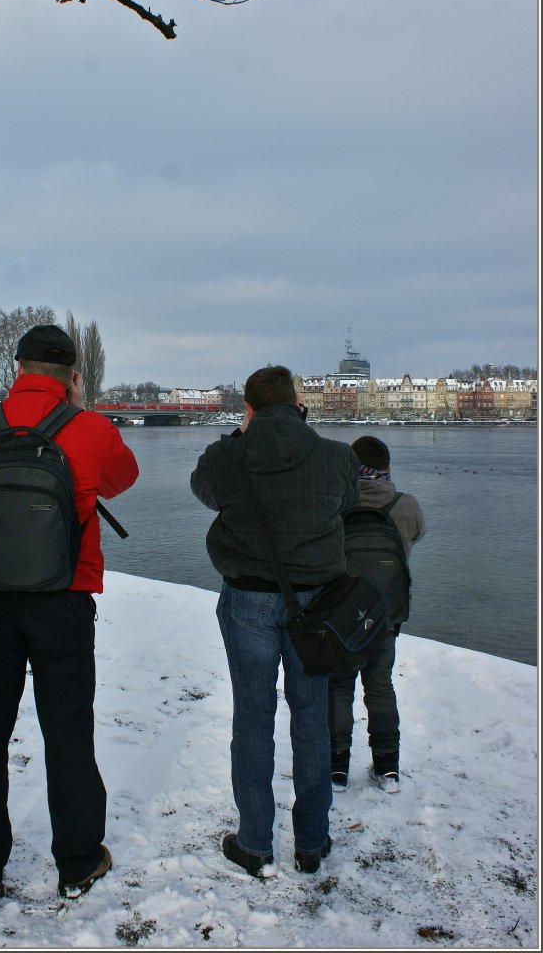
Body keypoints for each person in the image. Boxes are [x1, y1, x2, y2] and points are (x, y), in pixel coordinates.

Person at [0, 324, 139, 900]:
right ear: (73, 374)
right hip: (64, 601)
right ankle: (78, 860)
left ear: (18, 367)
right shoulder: (92, 429)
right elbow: (122, 479)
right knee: (68, 732)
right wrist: (78, 411)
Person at [190, 366, 360, 878]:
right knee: (310, 718)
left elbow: (203, 488)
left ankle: (255, 841)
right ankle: (311, 841)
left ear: (249, 407)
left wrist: (240, 434)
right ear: (298, 400)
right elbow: (346, 505)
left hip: (247, 601)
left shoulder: (228, 456)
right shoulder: (337, 457)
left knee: (253, 716)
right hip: (317, 607)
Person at [328, 435, 426, 794]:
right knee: (380, 686)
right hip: (387, 613)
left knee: (338, 687)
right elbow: (417, 536)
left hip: (341, 613)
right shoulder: (407, 505)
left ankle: (337, 767)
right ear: (388, 468)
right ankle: (388, 768)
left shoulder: (337, 501)